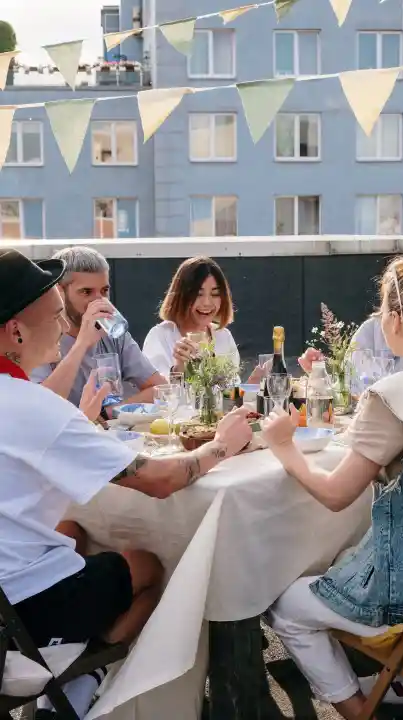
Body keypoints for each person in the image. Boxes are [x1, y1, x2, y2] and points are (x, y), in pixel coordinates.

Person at [0, 249, 251, 713]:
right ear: (16, 331)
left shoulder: (28, 401)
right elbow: (159, 481)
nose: (64, 325)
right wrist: (221, 445)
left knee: (75, 531)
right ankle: (79, 684)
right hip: (22, 614)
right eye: (57, 316)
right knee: (152, 566)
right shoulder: (32, 405)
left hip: (10, 598)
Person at [262, 254, 403, 720]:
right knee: (345, 557)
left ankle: (364, 710)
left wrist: (283, 447)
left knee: (283, 606)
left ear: (395, 319)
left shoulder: (393, 395)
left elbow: (336, 494)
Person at [30, 246, 166, 418]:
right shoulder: (39, 337)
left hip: (110, 430)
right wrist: (82, 344)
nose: (98, 300)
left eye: (104, 291)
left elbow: (161, 389)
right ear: (59, 292)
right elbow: (42, 407)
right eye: (86, 292)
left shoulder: (113, 331)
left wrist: (107, 413)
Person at [143, 256, 240, 378]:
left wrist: (253, 382)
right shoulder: (160, 336)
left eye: (215, 294)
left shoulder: (223, 336)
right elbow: (155, 387)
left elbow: (232, 386)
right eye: (198, 294)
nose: (207, 303)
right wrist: (178, 369)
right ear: (181, 296)